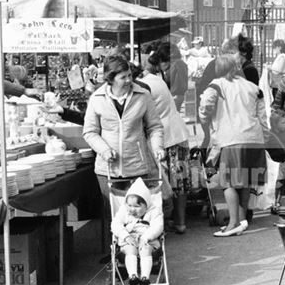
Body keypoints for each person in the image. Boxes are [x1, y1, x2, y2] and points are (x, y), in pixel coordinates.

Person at [83, 55, 166, 212]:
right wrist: (104, 150)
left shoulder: (143, 95)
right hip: (107, 168)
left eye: (129, 75)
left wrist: (158, 147)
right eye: (123, 77)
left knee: (139, 213)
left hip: (137, 166)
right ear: (111, 79)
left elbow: (155, 127)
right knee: (115, 216)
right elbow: (90, 132)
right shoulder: (97, 98)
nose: (129, 80)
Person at [199, 55, 268, 237]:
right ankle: (242, 219)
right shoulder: (253, 87)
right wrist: (265, 137)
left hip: (231, 139)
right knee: (245, 181)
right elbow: (262, 116)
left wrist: (205, 118)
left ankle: (233, 222)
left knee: (227, 182)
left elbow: (206, 104)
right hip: (254, 138)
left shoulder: (217, 84)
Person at [141, 52, 191, 234]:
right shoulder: (157, 80)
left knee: (163, 182)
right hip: (176, 133)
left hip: (163, 137)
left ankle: (161, 223)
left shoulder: (144, 85)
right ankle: (180, 221)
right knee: (179, 180)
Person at [110, 177, 164, 285]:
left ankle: (145, 277)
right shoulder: (124, 211)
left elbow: (158, 226)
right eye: (129, 205)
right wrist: (125, 236)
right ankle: (133, 275)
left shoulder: (154, 212)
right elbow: (115, 224)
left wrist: (146, 237)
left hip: (147, 240)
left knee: (145, 249)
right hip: (129, 240)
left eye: (136, 206)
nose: (132, 209)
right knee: (130, 250)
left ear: (146, 205)